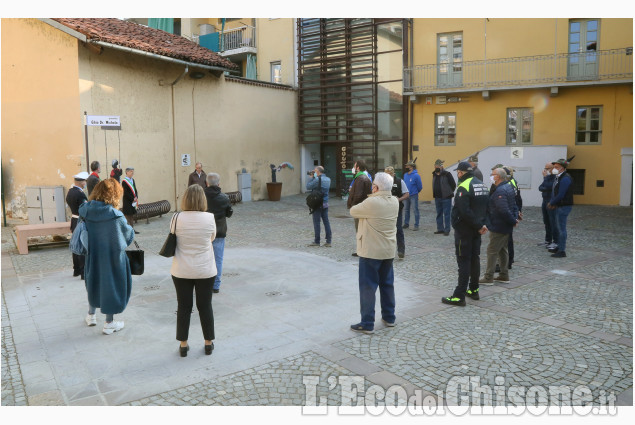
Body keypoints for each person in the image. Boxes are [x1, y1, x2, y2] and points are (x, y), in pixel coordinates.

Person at [79, 178, 135, 334]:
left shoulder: (85, 210)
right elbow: (128, 237)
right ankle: (109, 323)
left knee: (93, 282)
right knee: (110, 286)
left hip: (92, 255)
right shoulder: (116, 216)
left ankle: (91, 316)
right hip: (111, 259)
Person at [349, 172, 399, 333]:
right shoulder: (395, 201)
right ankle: (389, 317)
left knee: (367, 287)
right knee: (387, 284)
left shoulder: (372, 202)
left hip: (371, 251)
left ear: (376, 187)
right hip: (388, 250)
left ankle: (367, 322)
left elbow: (353, 210)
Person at [171, 184, 217, 357]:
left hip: (181, 269)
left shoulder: (176, 217)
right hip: (205, 269)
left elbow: (173, 235)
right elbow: (212, 238)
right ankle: (208, 342)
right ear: (202, 199)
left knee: (183, 306)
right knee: (205, 305)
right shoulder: (210, 218)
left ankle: (183, 344)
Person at [441, 162, 489, 306]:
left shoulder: (464, 186)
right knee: (475, 258)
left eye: (458, 172)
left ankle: (459, 295)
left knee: (464, 261)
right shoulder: (481, 184)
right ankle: (474, 289)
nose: (458, 174)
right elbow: (487, 206)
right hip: (476, 229)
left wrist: (478, 225)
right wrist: (482, 225)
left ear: (461, 173)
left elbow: (464, 210)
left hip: (465, 230)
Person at [479, 168, 518, 285]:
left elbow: (504, 210)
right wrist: (514, 218)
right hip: (504, 225)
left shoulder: (500, 190)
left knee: (492, 250)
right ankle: (503, 274)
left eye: (493, 174)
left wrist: (512, 220)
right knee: (502, 250)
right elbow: (514, 205)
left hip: (499, 225)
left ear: (498, 177)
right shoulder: (508, 187)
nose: (491, 176)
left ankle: (488, 277)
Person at [204, 172, 233, 294]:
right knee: (218, 259)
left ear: (207, 183)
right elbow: (229, 213)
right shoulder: (224, 198)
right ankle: (216, 285)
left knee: (204, 258)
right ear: (219, 183)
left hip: (204, 232)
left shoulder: (201, 196)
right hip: (219, 231)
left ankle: (204, 283)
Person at [547, 159, 574, 258]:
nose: (554, 169)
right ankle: (559, 247)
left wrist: (552, 202)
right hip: (560, 205)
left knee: (561, 228)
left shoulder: (565, 178)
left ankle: (562, 250)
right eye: (554, 167)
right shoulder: (558, 177)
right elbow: (555, 191)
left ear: (563, 168)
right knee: (558, 228)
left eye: (557, 167)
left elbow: (561, 194)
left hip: (564, 206)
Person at [66, 171, 89, 279]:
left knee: (75, 245)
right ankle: (84, 272)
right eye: (85, 181)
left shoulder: (70, 191)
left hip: (74, 220)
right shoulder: (80, 194)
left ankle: (76, 270)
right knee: (82, 246)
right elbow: (85, 209)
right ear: (81, 182)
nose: (85, 183)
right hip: (81, 221)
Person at [347, 160, 372, 256]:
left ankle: (361, 250)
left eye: (354, 166)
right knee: (360, 229)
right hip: (362, 207)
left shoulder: (361, 178)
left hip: (359, 208)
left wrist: (353, 206)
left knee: (360, 230)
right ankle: (361, 249)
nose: (353, 168)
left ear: (358, 168)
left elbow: (359, 195)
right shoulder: (360, 177)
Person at [384, 166, 409, 259]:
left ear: (393, 173)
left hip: (396, 208)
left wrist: (399, 199)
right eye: (387, 174)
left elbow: (407, 194)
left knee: (398, 229)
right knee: (386, 230)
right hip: (385, 209)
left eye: (390, 174)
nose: (389, 176)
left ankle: (401, 250)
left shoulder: (399, 181)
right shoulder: (382, 183)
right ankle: (387, 251)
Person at [306, 166, 332, 247]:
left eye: (314, 170)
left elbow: (308, 186)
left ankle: (317, 241)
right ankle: (328, 241)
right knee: (326, 222)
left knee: (317, 222)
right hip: (325, 203)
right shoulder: (328, 179)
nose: (313, 172)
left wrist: (311, 177)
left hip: (317, 203)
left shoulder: (317, 179)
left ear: (317, 171)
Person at [432, 159, 456, 236]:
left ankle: (447, 230)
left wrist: (448, 192)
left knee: (447, 214)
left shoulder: (447, 174)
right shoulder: (434, 174)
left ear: (442, 166)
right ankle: (440, 229)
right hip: (437, 197)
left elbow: (453, 185)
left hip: (446, 198)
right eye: (435, 166)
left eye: (438, 166)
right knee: (439, 213)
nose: (436, 167)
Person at [538, 162, 557, 248]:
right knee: (546, 221)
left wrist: (545, 179)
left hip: (551, 201)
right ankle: (547, 240)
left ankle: (555, 241)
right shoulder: (548, 177)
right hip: (544, 200)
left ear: (553, 168)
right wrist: (546, 186)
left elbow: (550, 186)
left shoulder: (555, 178)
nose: (545, 170)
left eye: (548, 168)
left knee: (552, 221)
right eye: (545, 168)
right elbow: (540, 187)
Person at [402, 160, 422, 230]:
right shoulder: (405, 175)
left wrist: (415, 192)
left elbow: (420, 186)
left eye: (407, 166)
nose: (406, 167)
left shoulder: (416, 175)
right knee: (406, 210)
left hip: (413, 195)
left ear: (411, 167)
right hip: (406, 195)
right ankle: (406, 223)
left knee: (415, 210)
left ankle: (416, 225)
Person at [121, 167, 140, 234]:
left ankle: (132, 230)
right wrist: (132, 198)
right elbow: (125, 193)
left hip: (133, 201)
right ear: (127, 172)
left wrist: (136, 197)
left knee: (131, 216)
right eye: (131, 171)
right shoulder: (124, 181)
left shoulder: (133, 180)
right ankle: (127, 231)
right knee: (127, 216)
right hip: (127, 201)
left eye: (133, 171)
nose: (132, 172)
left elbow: (135, 190)